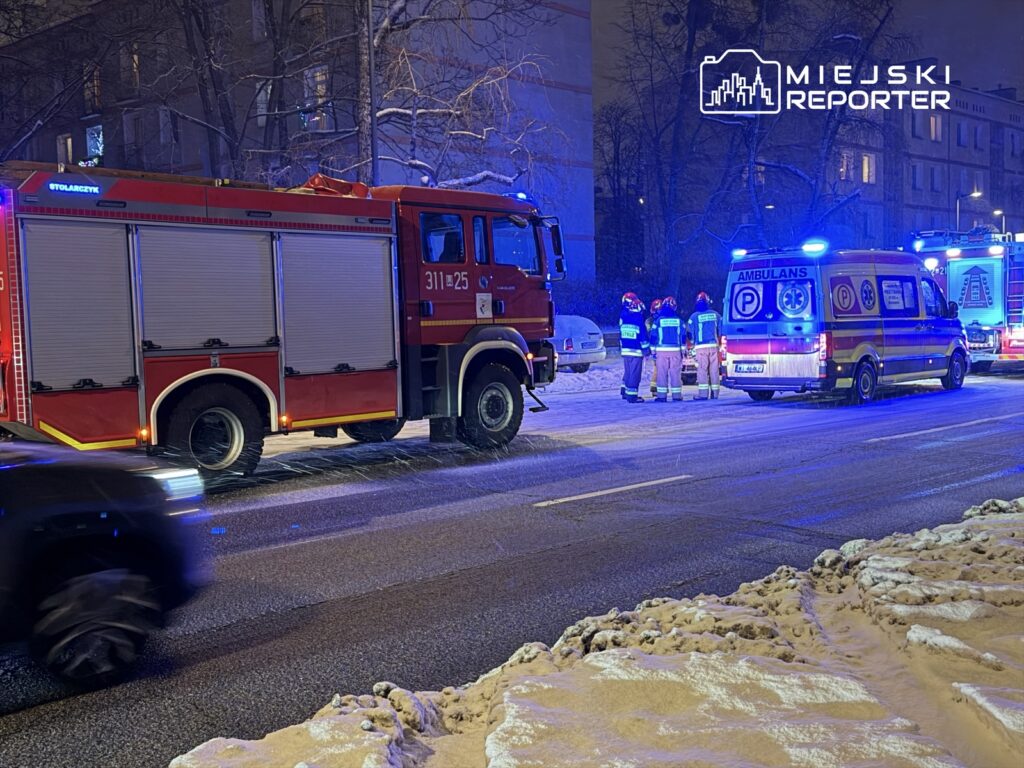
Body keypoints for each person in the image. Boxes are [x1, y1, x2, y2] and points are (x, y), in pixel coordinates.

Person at [688, 291, 723, 400]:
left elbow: (690, 333)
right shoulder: (716, 315)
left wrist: (692, 343)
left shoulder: (693, 317)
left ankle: (703, 394)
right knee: (714, 370)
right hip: (714, 346)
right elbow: (721, 331)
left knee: (702, 370)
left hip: (701, 347)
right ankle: (715, 394)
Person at [649, 296, 684, 401]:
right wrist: (683, 350)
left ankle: (661, 396)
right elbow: (682, 337)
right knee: (675, 374)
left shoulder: (658, 321)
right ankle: (676, 396)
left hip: (661, 351)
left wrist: (653, 351)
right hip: (675, 351)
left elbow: (653, 337)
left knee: (661, 374)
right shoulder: (679, 321)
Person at [618, 292, 648, 403]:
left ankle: (625, 392)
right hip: (636, 351)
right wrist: (647, 350)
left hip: (626, 351)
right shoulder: (638, 320)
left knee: (628, 372)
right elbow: (643, 337)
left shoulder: (624, 318)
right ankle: (632, 396)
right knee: (635, 374)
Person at [646, 298, 662, 397]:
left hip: (654, 347)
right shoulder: (656, 321)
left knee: (658, 367)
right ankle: (656, 387)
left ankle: (654, 386)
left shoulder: (649, 321)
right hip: (659, 347)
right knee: (660, 368)